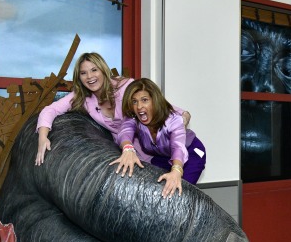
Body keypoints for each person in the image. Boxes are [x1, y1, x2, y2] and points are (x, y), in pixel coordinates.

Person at [34, 52, 190, 166]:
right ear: (79, 77)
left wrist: (176, 126)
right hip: (133, 155)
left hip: (164, 149)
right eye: (83, 73)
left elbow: (173, 110)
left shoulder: (127, 86)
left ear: (103, 70)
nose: (89, 76)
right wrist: (43, 137)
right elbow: (50, 110)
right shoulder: (82, 97)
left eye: (94, 70)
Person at [111, 78, 206, 198]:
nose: (139, 106)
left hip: (190, 153)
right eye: (134, 102)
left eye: (144, 100)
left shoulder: (173, 120)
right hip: (162, 157)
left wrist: (176, 170)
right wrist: (128, 148)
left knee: (178, 194)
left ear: (154, 101)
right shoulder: (133, 119)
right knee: (156, 192)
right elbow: (125, 131)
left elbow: (178, 147)